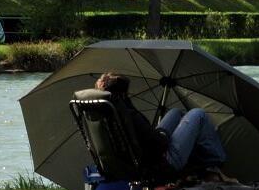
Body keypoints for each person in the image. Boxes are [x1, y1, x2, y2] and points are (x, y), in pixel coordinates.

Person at [95, 72, 228, 176]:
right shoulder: (129, 116)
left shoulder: (106, 115)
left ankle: (196, 155)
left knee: (176, 112)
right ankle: (214, 162)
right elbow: (159, 144)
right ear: (123, 94)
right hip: (163, 162)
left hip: (145, 156)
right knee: (198, 114)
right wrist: (163, 134)